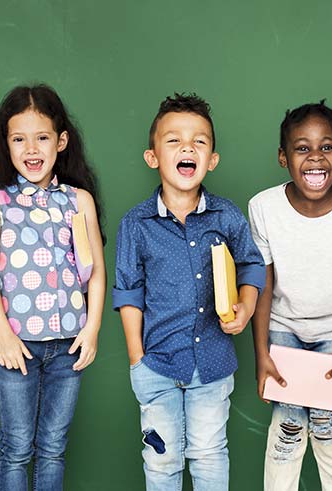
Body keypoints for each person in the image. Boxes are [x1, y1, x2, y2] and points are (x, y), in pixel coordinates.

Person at [112, 93, 265, 490]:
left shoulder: (226, 215)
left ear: (212, 159)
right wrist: (136, 359)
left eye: (199, 141)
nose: (187, 148)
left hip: (213, 364)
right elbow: (128, 292)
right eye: (174, 140)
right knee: (161, 461)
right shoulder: (136, 224)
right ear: (153, 158)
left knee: (209, 453)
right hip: (156, 365)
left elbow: (251, 264)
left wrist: (247, 306)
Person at [0, 84, 106, 491]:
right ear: (5, 144)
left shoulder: (79, 200)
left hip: (69, 344)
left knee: (53, 447)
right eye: (19, 139)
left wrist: (92, 328)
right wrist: (3, 335)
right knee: (16, 446)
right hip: (17, 345)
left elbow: (96, 270)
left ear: (61, 141)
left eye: (42, 137)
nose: (31, 149)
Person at [249, 100, 332, 491]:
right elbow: (263, 281)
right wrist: (262, 352)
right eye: (302, 148)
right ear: (283, 157)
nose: (315, 157)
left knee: (328, 427)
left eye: (326, 147)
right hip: (283, 330)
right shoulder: (263, 207)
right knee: (288, 427)